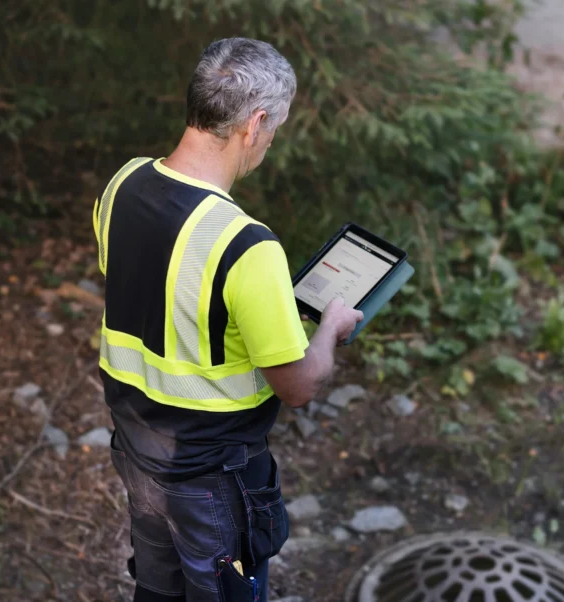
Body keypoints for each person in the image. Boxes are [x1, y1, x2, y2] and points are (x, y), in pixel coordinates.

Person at [91, 37, 363, 602]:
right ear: (255, 123)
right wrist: (330, 328)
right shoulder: (246, 244)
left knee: (157, 591)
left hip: (137, 451)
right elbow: (298, 386)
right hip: (211, 479)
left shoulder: (123, 184)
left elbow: (162, 298)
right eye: (275, 128)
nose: (270, 141)